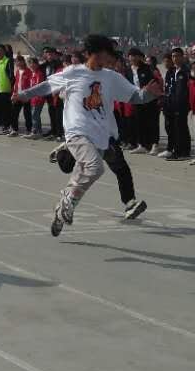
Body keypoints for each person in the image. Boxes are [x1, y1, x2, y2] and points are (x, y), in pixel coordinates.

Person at [14, 34, 155, 234]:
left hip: (102, 136)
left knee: (82, 174)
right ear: (92, 54)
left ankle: (64, 205)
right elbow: (48, 85)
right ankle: (68, 199)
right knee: (95, 167)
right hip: (77, 131)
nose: (109, 58)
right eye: (106, 54)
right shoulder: (73, 72)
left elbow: (134, 96)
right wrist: (24, 94)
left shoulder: (111, 77)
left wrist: (149, 93)